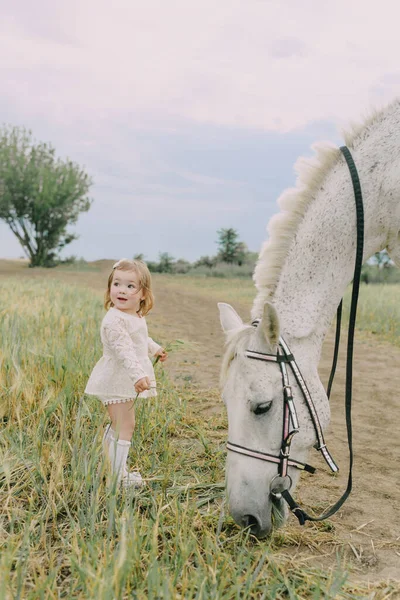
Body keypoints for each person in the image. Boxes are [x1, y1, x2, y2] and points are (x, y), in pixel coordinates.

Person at [85, 258, 167, 488]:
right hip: (118, 378)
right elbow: (124, 352)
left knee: (119, 424)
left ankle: (111, 469)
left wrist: (155, 348)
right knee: (125, 425)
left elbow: (140, 338)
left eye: (130, 286)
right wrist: (138, 376)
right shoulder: (114, 320)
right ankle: (117, 478)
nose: (122, 290)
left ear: (143, 294)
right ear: (109, 288)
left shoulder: (134, 316)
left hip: (123, 378)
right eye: (117, 284)